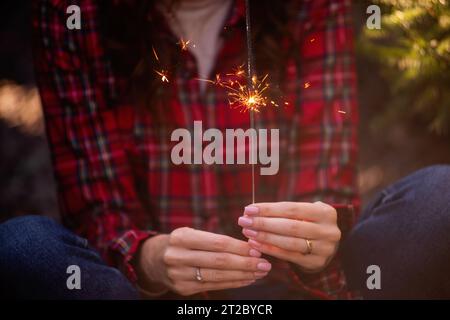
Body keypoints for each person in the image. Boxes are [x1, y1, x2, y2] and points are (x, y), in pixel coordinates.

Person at [0, 0, 449, 300]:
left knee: (439, 200)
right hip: (138, 291)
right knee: (21, 247)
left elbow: (325, 183)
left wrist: (319, 239)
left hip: (288, 291)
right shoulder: (74, 14)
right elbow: (97, 213)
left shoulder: (310, 5)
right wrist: (152, 259)